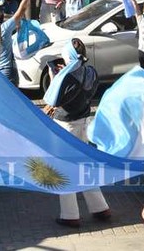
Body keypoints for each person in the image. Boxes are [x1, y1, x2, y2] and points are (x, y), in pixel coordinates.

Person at [43, 38, 109, 228]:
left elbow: (52, 100)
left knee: (64, 169)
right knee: (85, 167)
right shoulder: (90, 72)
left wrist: (54, 76)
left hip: (66, 126)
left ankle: (70, 215)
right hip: (84, 123)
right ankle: (100, 207)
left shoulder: (66, 77)